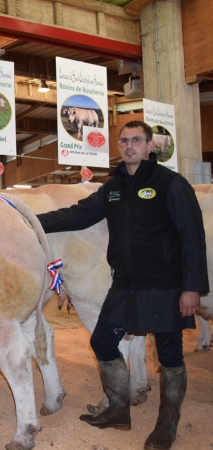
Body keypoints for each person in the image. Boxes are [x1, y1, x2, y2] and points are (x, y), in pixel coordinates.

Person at [37, 120, 208, 450]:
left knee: (170, 356)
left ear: (149, 147)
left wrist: (192, 288)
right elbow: (78, 215)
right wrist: (30, 219)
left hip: (166, 284)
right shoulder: (112, 187)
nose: (129, 145)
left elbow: (192, 237)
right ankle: (118, 410)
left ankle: (167, 425)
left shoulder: (171, 183)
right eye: (124, 141)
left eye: (136, 140)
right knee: (102, 341)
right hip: (125, 284)